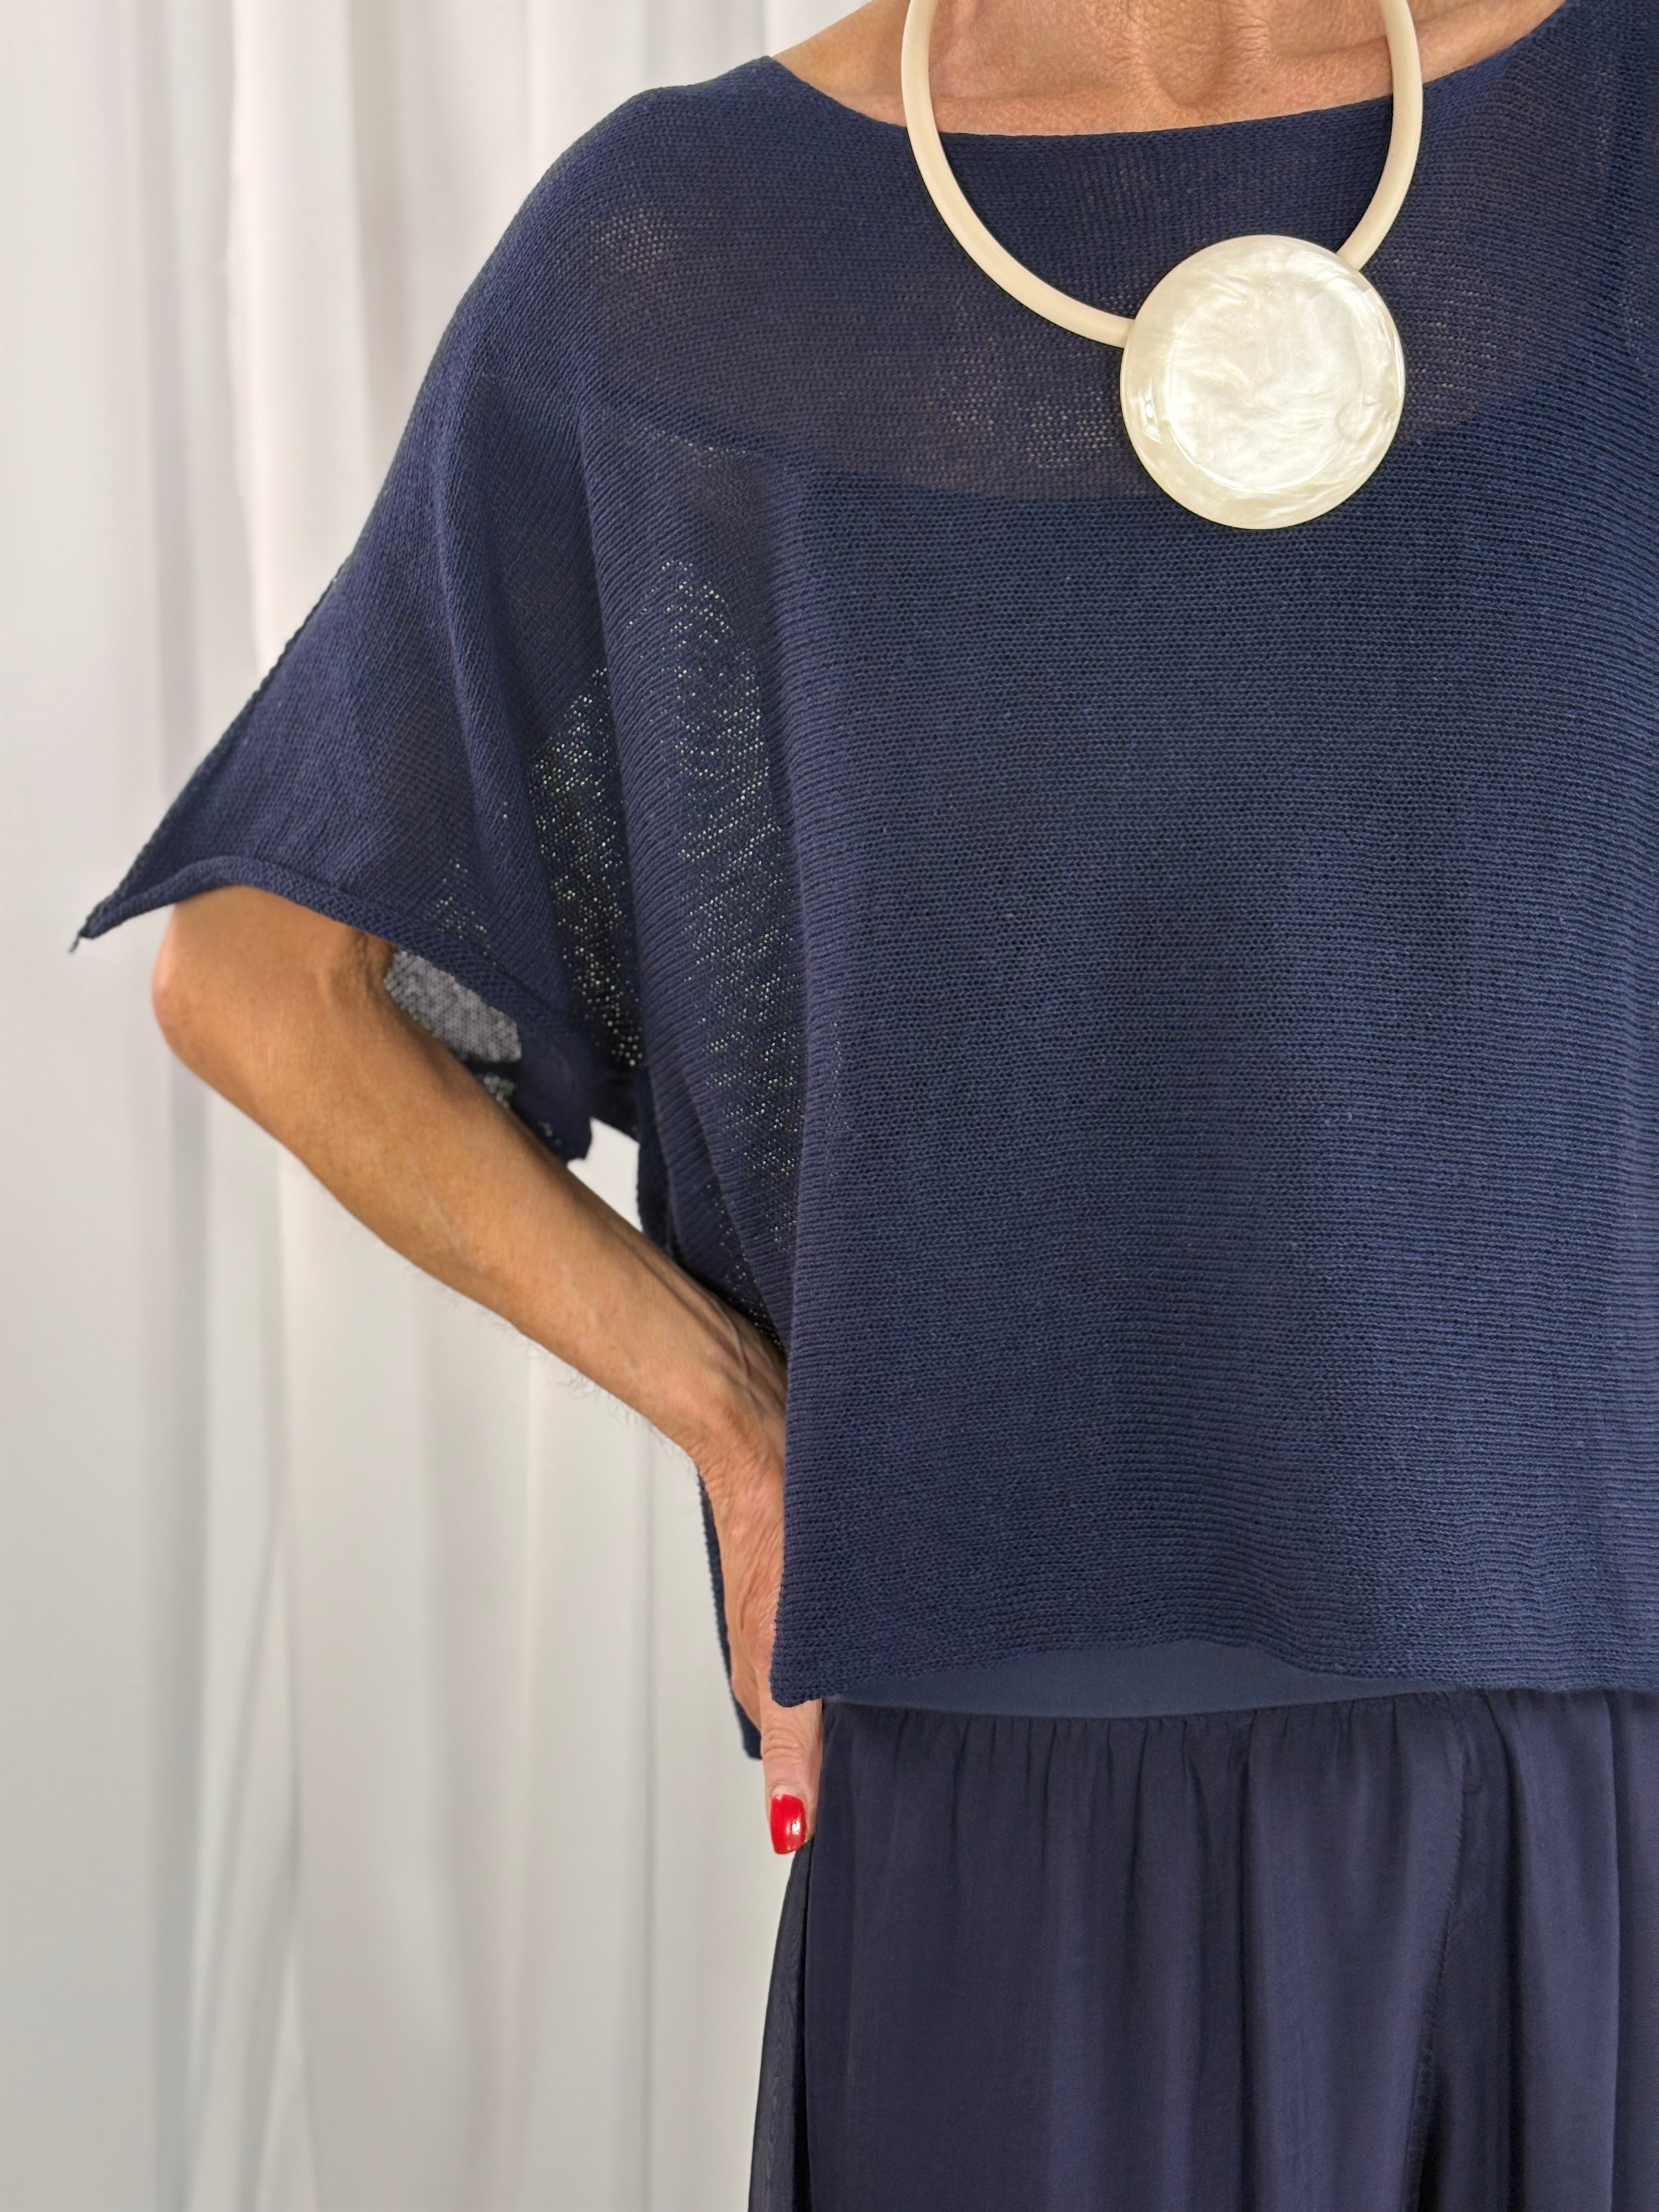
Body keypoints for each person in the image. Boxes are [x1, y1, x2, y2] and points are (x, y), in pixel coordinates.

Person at [78, 0, 1659, 2202]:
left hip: (1601, 1768)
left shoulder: (1617, 141)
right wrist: (737, 1427)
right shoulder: (691, 250)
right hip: (1007, 1794)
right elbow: (264, 979)